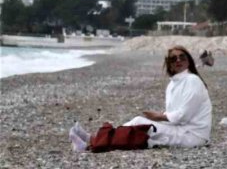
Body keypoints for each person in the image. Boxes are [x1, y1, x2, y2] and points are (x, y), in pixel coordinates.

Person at [70, 46, 213, 151]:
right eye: (173, 58)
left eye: (182, 57)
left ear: (188, 61)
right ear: (169, 64)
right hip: (182, 129)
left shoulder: (192, 81)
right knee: (140, 128)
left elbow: (183, 116)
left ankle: (92, 141)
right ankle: (94, 140)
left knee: (142, 126)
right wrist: (160, 117)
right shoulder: (173, 84)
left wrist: (159, 116)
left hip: (193, 135)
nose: (178, 60)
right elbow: (175, 114)